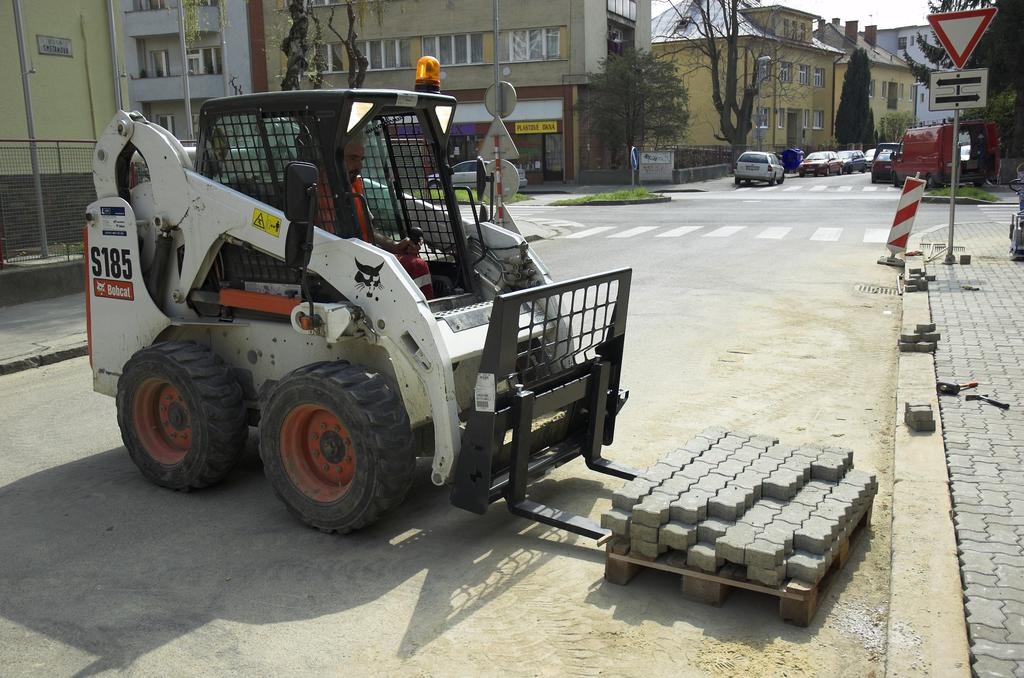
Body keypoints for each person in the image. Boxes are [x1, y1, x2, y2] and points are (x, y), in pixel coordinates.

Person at [341, 135, 434, 298]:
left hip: (364, 255)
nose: (359, 165)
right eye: (353, 158)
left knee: (412, 260)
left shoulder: (353, 186)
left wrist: (395, 246)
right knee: (416, 266)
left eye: (362, 159)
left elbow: (369, 230)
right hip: (344, 262)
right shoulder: (321, 191)